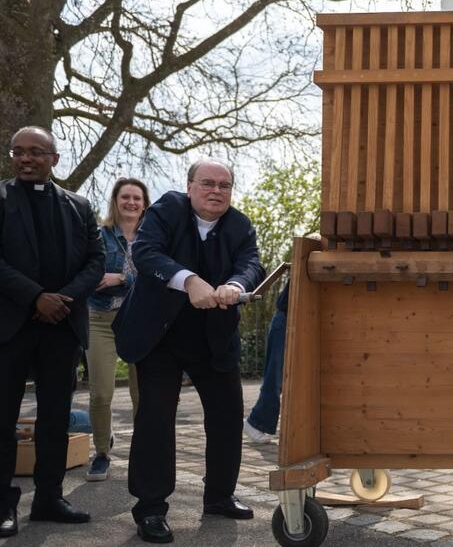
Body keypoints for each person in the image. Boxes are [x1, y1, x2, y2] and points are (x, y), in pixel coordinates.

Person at [115, 158, 263, 544]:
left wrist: (235, 284)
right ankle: (150, 507)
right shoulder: (167, 209)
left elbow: (251, 264)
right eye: (208, 183)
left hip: (213, 338)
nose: (216, 191)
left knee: (227, 415)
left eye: (224, 186)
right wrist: (189, 280)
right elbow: (146, 253)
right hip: (160, 335)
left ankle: (219, 496)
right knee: (156, 418)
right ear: (190, 186)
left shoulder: (241, 225)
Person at [0, 126, 104, 537]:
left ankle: (49, 498)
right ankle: (3, 504)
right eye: (18, 152)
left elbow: (96, 261)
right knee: (3, 418)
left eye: (36, 152)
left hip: (62, 326)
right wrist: (36, 297)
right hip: (10, 327)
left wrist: (63, 298)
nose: (26, 159)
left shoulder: (79, 205)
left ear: (54, 159)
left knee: (55, 418)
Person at [86, 177, 149, 482]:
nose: (131, 203)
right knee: (100, 394)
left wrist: (122, 279)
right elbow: (88, 273)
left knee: (143, 393)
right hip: (100, 319)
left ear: (145, 204)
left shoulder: (153, 237)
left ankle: (142, 450)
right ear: (115, 201)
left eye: (137, 198)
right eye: (125, 197)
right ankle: (101, 452)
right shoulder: (99, 236)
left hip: (140, 320)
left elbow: (159, 277)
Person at [243, 279, 288, 444]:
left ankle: (257, 422)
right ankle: (255, 423)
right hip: (286, 321)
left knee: (277, 379)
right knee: (275, 379)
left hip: (289, 320)